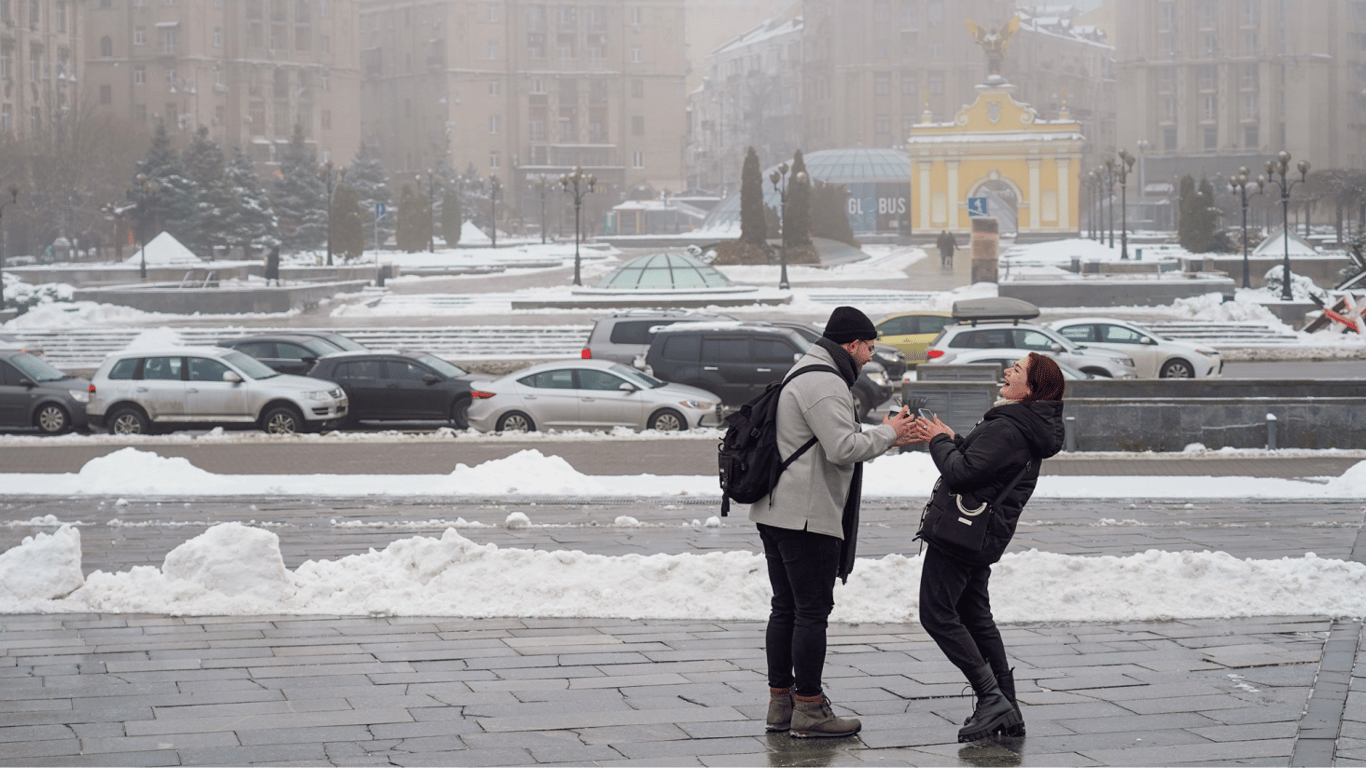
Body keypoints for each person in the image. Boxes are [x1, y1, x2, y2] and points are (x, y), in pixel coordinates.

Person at [750, 306, 917, 738]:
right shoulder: (825, 382)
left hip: (778, 510)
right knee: (811, 612)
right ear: (851, 344)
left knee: (785, 607)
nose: (870, 356)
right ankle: (808, 709)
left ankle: (780, 705)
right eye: (868, 347)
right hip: (805, 515)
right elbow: (843, 447)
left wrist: (878, 430)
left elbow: (827, 436)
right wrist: (890, 433)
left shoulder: (807, 371)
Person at [908, 352, 1065, 742]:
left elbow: (961, 474)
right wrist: (955, 439)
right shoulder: (1027, 424)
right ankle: (1006, 710)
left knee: (937, 614)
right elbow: (986, 466)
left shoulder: (1009, 427)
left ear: (1030, 388)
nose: (1009, 371)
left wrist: (938, 441)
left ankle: (990, 698)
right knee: (975, 616)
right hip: (981, 535)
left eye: (1018, 369)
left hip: (960, 534)